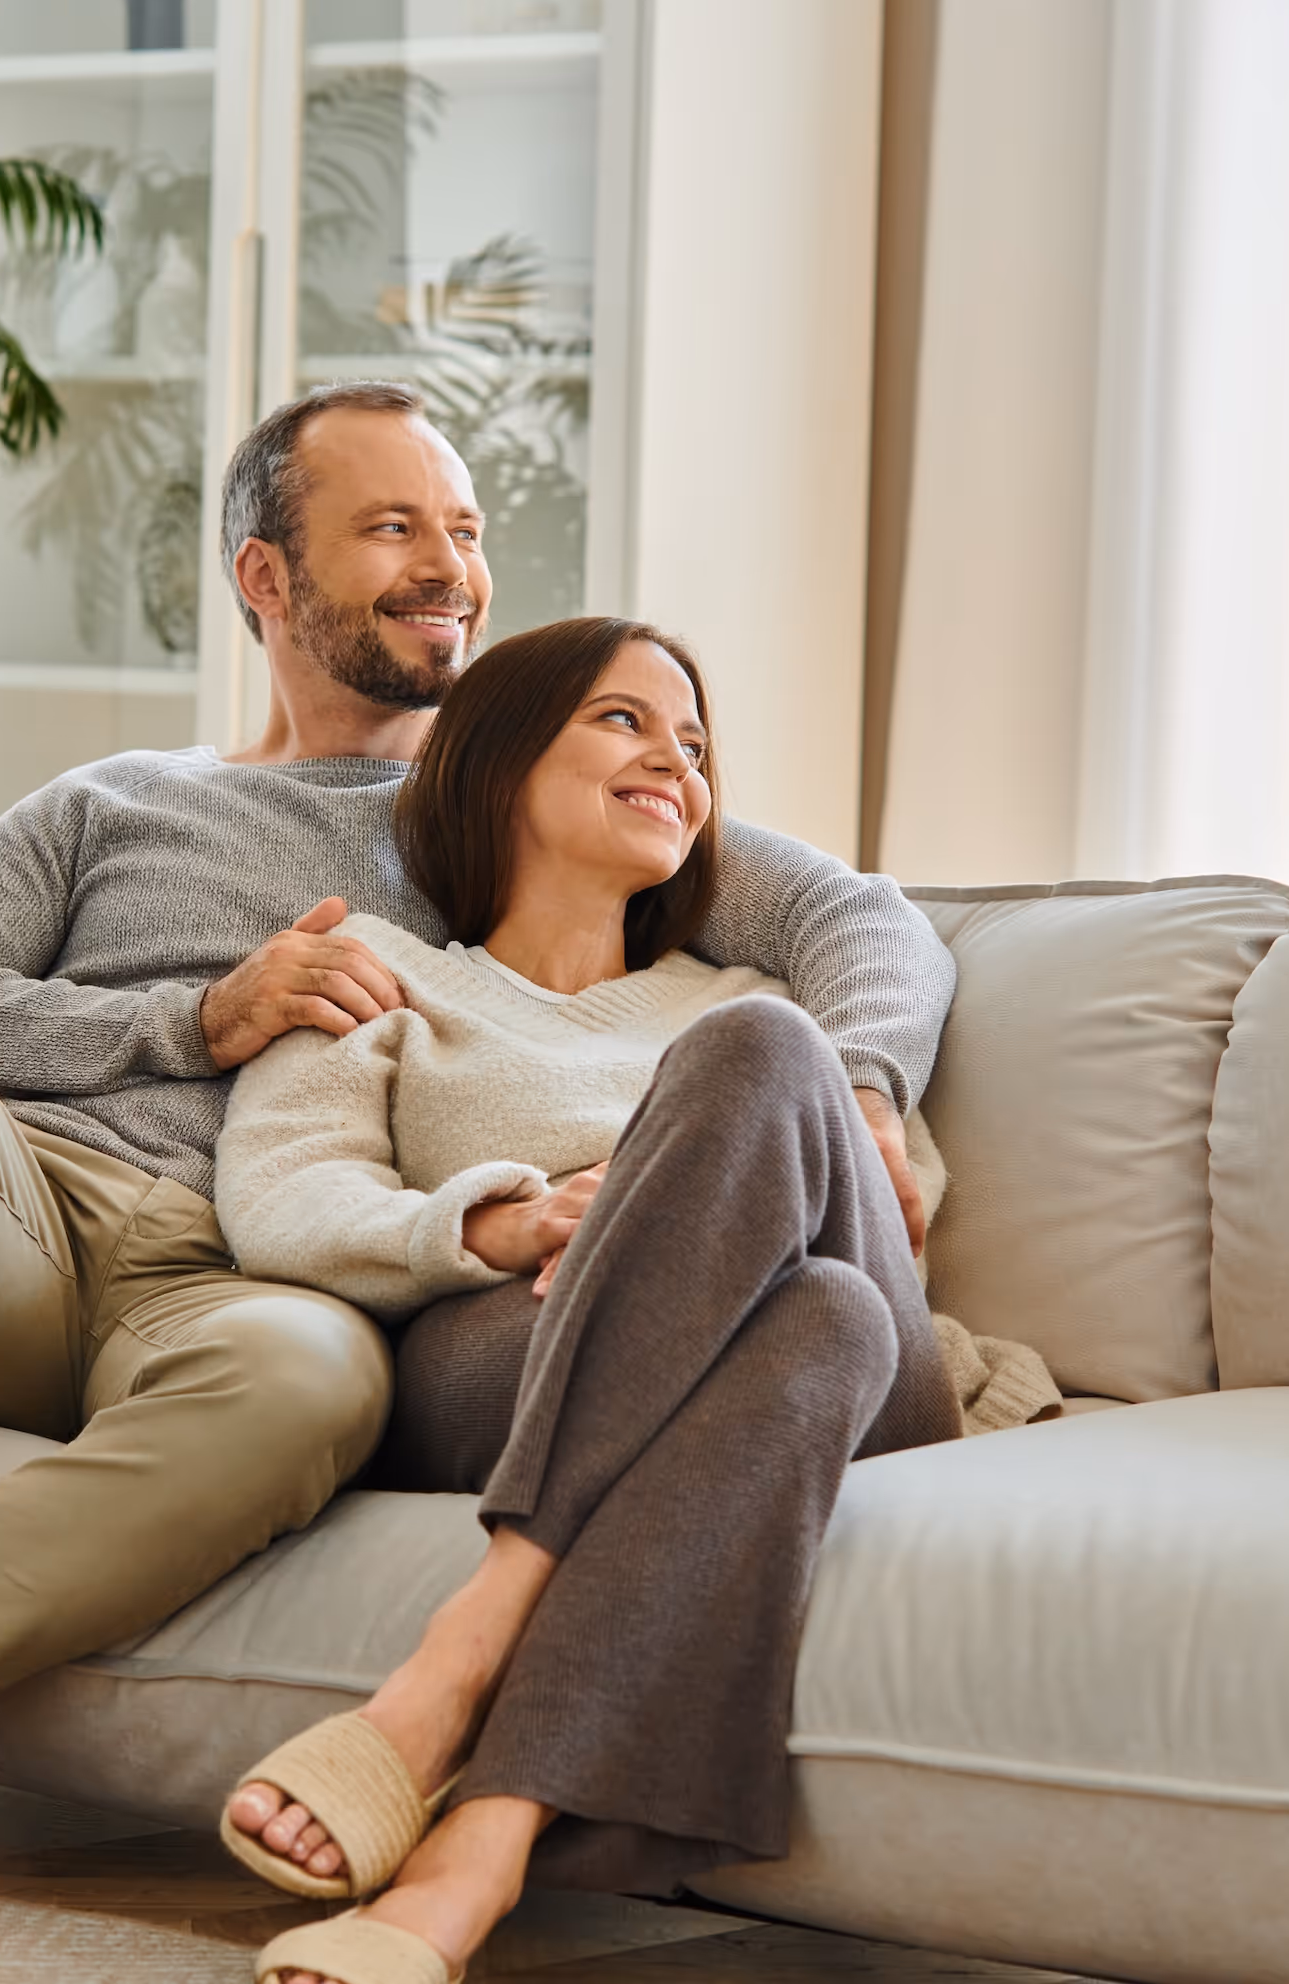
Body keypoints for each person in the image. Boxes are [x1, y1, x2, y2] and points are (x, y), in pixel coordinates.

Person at [0, 381, 962, 1904]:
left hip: (246, 1276)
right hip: (14, 1214)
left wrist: (861, 1094)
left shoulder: (524, 791)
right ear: (266, 576)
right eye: (393, 529)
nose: (448, 567)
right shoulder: (119, 802)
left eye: (462, 530)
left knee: (316, 1381)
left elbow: (864, 921)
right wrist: (196, 1020)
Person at [209, 616, 1052, 1984]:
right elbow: (283, 1198)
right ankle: (476, 1858)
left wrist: (672, 1203)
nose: (674, 756)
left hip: (882, 1394)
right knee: (815, 1323)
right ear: (498, 760)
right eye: (624, 721)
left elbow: (884, 1214)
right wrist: (504, 1217)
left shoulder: (760, 1008)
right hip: (508, 1358)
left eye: (696, 742)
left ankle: (453, 1665)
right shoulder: (382, 973)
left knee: (770, 1079)